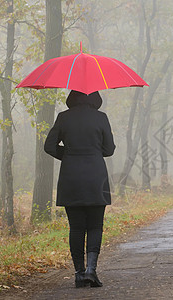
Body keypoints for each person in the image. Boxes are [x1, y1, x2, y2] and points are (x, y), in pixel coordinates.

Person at [44, 90, 115, 288]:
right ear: (95, 97)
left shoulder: (63, 117)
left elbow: (49, 146)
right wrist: (92, 151)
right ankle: (91, 271)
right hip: (96, 178)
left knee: (76, 227)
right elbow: (109, 149)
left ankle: (78, 274)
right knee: (95, 225)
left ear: (72, 96)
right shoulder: (101, 118)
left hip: (71, 178)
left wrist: (68, 155)